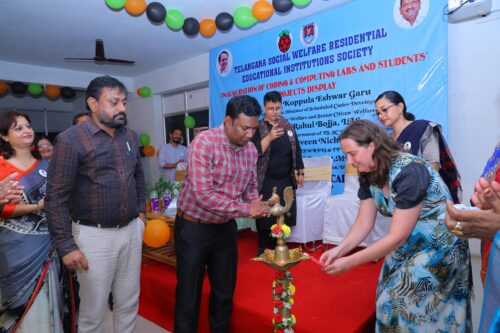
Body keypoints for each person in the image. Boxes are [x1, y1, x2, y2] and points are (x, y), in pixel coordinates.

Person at [320, 120, 471, 332]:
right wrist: (340, 249)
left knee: (402, 304)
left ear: (372, 146)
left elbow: (396, 236)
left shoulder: (410, 170)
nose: (349, 161)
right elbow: (364, 222)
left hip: (440, 247)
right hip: (409, 241)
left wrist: (349, 262)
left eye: (352, 154)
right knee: (385, 298)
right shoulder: (367, 174)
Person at [45, 76, 146, 333]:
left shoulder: (131, 137)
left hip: (131, 232)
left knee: (128, 302)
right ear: (92, 103)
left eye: (124, 102)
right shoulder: (71, 140)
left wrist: (141, 214)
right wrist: (67, 246)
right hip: (93, 236)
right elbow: (56, 198)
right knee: (94, 311)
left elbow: (139, 175)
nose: (122, 108)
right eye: (114, 102)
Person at [174, 95, 270, 333]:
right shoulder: (204, 143)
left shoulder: (250, 152)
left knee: (224, 293)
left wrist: (258, 202)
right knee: (189, 295)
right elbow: (203, 195)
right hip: (193, 228)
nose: (249, 135)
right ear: (228, 121)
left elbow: (249, 188)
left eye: (254, 129)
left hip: (225, 228)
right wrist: (248, 209)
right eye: (244, 128)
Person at [0, 110, 66, 332]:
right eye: (18, 128)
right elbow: (4, 210)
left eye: (28, 126)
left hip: (48, 246)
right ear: (4, 137)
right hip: (15, 249)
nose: (26, 130)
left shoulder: (47, 166)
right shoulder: (2, 168)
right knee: (22, 305)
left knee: (51, 300)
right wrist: (38, 206)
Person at [375, 90, 463, 203]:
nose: (381, 115)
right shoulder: (386, 142)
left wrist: (412, 194)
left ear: (400, 107)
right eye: (378, 113)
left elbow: (433, 167)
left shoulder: (422, 129)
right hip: (399, 201)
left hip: (428, 200)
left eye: (384, 110)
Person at [250, 91, 304, 255]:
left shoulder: (287, 126)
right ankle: (264, 247)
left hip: (286, 178)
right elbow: (254, 152)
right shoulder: (258, 128)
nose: (275, 112)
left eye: (278, 108)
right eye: (270, 108)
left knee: (285, 213)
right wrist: (270, 137)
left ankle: (280, 244)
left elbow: (297, 150)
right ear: (264, 108)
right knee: (267, 214)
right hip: (266, 178)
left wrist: (300, 172)